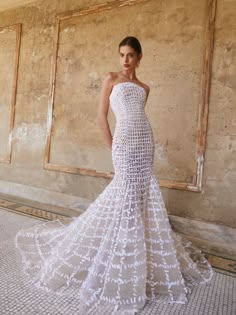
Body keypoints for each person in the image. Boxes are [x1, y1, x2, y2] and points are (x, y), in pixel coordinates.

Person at [15, 36, 214, 315]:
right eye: (122, 54)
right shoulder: (111, 79)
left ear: (139, 57)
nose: (125, 60)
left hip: (144, 141)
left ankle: (138, 255)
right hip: (123, 144)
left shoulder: (145, 87)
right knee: (125, 192)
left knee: (141, 194)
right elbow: (101, 117)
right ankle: (117, 252)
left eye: (130, 55)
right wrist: (114, 147)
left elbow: (138, 118)